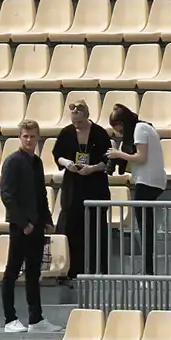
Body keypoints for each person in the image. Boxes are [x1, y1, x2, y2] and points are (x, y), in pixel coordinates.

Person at [0, 119, 62, 334]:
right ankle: (10, 319)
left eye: (32, 136)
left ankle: (36, 319)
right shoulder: (12, 162)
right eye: (25, 136)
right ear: (19, 137)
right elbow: (6, 195)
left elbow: (41, 193)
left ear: (38, 138)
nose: (29, 140)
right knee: (12, 271)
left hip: (36, 226)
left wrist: (47, 220)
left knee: (34, 273)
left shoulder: (37, 162)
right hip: (20, 227)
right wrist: (23, 222)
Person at [52, 100, 113, 278]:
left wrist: (92, 168)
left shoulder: (100, 133)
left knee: (95, 228)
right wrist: (68, 164)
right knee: (71, 225)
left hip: (95, 185)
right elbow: (58, 155)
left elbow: (107, 161)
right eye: (74, 122)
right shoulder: (67, 133)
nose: (77, 125)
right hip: (73, 185)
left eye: (80, 122)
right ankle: (71, 270)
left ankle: (96, 269)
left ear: (87, 117)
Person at [106, 104, 167, 275]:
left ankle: (148, 270)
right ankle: (148, 269)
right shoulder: (145, 127)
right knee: (144, 226)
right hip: (149, 180)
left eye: (117, 127)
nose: (117, 132)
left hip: (147, 182)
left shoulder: (140, 129)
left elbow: (141, 157)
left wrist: (118, 155)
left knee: (145, 227)